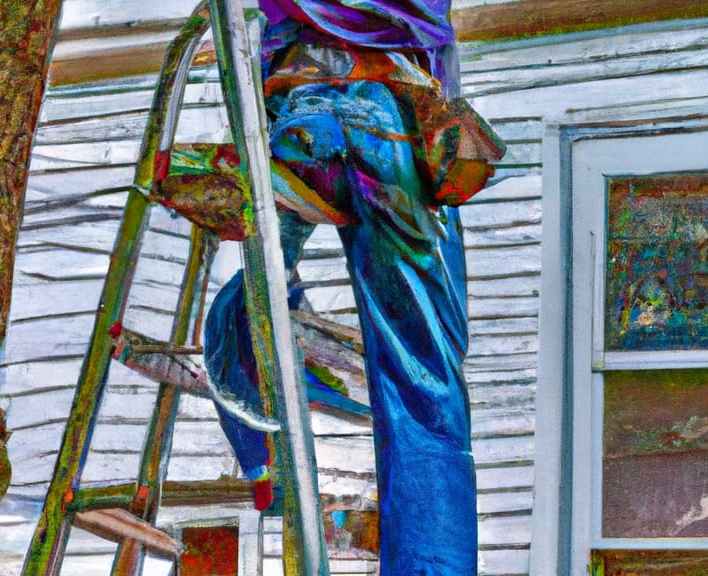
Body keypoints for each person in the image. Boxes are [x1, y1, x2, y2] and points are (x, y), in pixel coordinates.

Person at [200, 2, 505, 573]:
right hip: (388, 114)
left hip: (294, 110)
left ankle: (263, 459)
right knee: (422, 377)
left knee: (258, 293)